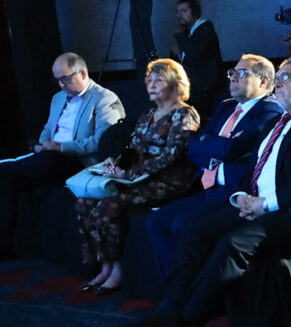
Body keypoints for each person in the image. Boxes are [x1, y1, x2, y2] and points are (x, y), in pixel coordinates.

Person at [109, 56, 291, 327]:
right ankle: (165, 311)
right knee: (194, 232)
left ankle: (179, 322)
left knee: (233, 243)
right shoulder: (278, 122)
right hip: (258, 203)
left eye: (285, 78)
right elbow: (253, 170)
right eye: (277, 77)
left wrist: (265, 204)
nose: (277, 84)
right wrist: (241, 198)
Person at [146, 54, 285, 280]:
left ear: (263, 81)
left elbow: (230, 148)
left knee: (182, 226)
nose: (233, 78)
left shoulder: (269, 110)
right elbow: (193, 145)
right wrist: (213, 147)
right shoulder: (226, 106)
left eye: (242, 73)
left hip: (234, 192)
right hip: (206, 186)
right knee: (156, 221)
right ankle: (172, 286)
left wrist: (210, 145)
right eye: (232, 72)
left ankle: (188, 287)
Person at [75, 59, 200, 294]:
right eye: (149, 80)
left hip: (168, 180)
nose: (151, 85)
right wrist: (116, 162)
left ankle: (117, 270)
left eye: (159, 80)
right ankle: (104, 266)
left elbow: (171, 156)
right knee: (84, 202)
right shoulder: (149, 113)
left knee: (110, 205)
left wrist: (130, 173)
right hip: (135, 177)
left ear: (175, 84)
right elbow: (132, 148)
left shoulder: (185, 114)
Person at [0, 53, 124, 258]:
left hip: (77, 161)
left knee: (46, 159)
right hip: (50, 157)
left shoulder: (104, 99)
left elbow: (102, 142)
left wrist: (61, 147)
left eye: (65, 79)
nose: (61, 85)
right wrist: (43, 144)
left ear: (82, 73)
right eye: (57, 80)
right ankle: (6, 250)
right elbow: (48, 130)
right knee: (7, 180)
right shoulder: (58, 99)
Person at [170, 0, 224, 117]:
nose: (179, 15)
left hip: (204, 91)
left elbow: (195, 52)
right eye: (178, 12)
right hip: (193, 89)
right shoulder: (189, 34)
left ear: (195, 11)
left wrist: (180, 36)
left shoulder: (205, 29)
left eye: (184, 11)